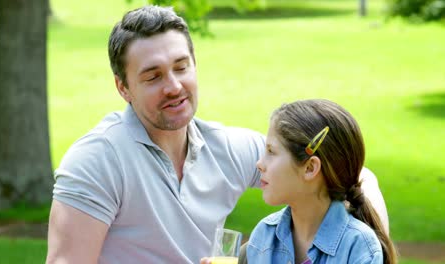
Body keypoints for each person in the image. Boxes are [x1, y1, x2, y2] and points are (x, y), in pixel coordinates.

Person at [46, 6, 389, 264]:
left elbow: (350, 173)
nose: (174, 86)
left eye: (181, 67)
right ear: (123, 87)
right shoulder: (97, 161)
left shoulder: (227, 149)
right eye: (153, 77)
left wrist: (363, 244)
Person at [203, 99, 397, 264]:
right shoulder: (263, 236)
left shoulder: (358, 247)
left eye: (271, 152)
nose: (259, 164)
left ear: (310, 168)